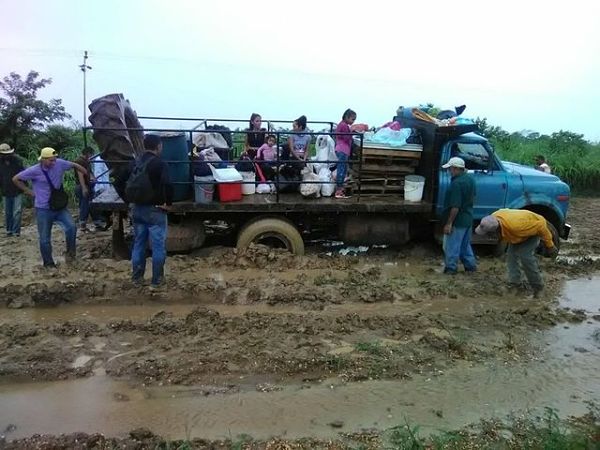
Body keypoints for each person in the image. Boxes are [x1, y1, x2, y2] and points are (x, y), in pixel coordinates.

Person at [12, 147, 88, 267]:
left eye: (54, 160)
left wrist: (85, 172)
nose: (53, 163)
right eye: (50, 161)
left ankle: (71, 254)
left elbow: (75, 164)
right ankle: (48, 264)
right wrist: (29, 191)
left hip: (59, 207)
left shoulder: (60, 163)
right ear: (42, 160)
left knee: (71, 228)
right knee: (45, 239)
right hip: (43, 209)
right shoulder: (34, 170)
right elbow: (16, 179)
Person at [475, 209, 558, 298]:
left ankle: (538, 287)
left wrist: (550, 245)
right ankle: (515, 285)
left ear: (495, 230)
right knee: (511, 257)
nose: (488, 236)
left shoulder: (515, 226)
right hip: (515, 234)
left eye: (489, 234)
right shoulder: (493, 217)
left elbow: (540, 226)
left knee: (525, 256)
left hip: (533, 229)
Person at [129, 134, 173, 289]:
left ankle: (136, 279)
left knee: (139, 244)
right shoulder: (160, 164)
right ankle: (156, 281)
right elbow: (168, 185)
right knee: (158, 246)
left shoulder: (136, 162)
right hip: (155, 210)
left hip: (137, 208)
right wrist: (168, 204)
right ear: (158, 146)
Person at [441, 156, 477, 274]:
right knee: (465, 246)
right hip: (467, 218)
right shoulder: (470, 179)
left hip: (458, 221)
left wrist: (449, 223)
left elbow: (455, 206)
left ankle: (451, 269)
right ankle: (470, 267)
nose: (449, 171)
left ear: (456, 169)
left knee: (452, 246)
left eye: (450, 169)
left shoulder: (456, 184)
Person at [73, 146, 104, 232]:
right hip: (83, 186)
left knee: (91, 204)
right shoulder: (79, 161)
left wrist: (93, 178)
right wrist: (84, 187)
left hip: (88, 185)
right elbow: (80, 175)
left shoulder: (85, 161)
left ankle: (96, 222)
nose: (91, 156)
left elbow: (88, 172)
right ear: (88, 153)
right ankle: (83, 224)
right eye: (91, 155)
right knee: (85, 205)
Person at [0, 143, 24, 237]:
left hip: (18, 190)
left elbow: (23, 174)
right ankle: (9, 230)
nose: (5, 156)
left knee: (17, 212)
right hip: (6, 191)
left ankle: (16, 232)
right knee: (7, 212)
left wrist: (24, 188)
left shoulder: (17, 161)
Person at [334, 109, 356, 199]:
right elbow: (347, 138)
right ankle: (339, 190)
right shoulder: (344, 126)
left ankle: (340, 189)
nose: (353, 121)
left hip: (341, 149)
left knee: (342, 169)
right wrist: (352, 131)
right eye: (352, 119)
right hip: (343, 150)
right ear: (346, 117)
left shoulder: (341, 125)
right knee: (341, 170)